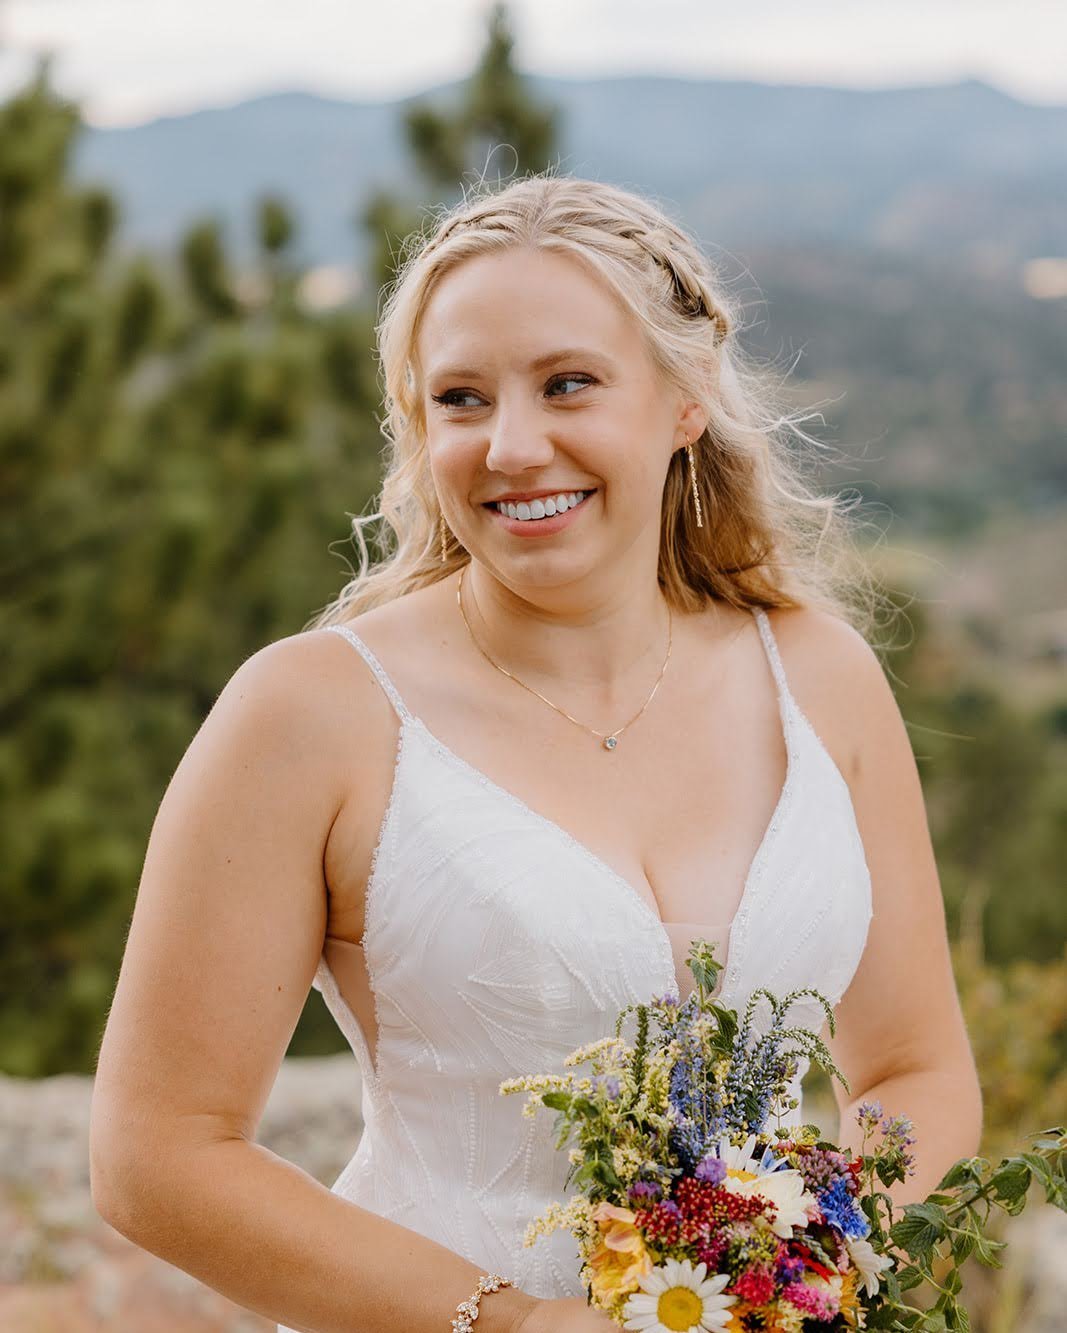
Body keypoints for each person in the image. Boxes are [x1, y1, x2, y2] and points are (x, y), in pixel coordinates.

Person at [88, 173, 982, 1333]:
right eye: (460, 399)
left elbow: (916, 1069)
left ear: (683, 397)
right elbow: (156, 1155)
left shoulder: (816, 676)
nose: (513, 445)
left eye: (567, 383)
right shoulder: (309, 713)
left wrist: (796, 1267)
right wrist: (512, 1321)